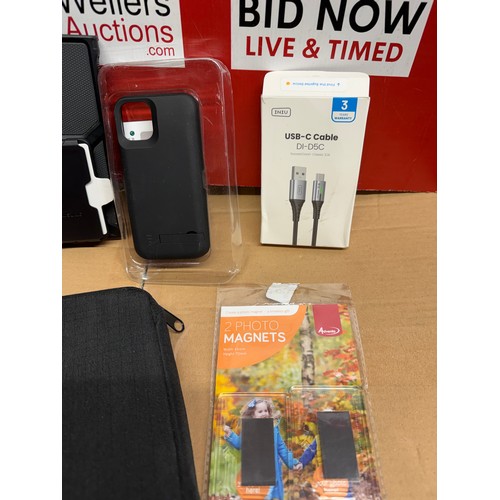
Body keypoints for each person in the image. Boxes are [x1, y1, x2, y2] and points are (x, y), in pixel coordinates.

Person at [223, 398, 303, 500]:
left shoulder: (274, 428)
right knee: (259, 494)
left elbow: (282, 448)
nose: (264, 413)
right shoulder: (249, 429)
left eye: (266, 410)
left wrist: (293, 463)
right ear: (253, 415)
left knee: (272, 494)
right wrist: (230, 434)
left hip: (272, 471)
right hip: (256, 472)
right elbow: (241, 444)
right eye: (260, 411)